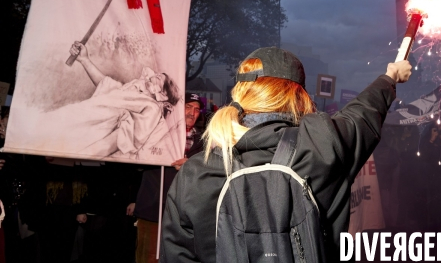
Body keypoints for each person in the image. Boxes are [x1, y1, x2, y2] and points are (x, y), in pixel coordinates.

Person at [160, 46, 412, 263]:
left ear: (241, 93)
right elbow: (362, 113)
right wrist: (389, 78)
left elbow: (178, 254)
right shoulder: (321, 143)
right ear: (297, 95)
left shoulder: (195, 172)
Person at [21, 42, 181, 161]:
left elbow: (120, 139)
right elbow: (105, 84)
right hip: (82, 114)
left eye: (159, 78)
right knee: (42, 127)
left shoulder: (151, 109)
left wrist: (83, 153)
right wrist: (84, 59)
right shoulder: (133, 90)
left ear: (163, 94)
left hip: (91, 133)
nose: (153, 76)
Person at [130, 93, 205, 263]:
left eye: (197, 109)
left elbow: (209, 173)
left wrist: (191, 165)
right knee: (148, 257)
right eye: (188, 106)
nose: (192, 113)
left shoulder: (204, 142)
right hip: (153, 210)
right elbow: (133, 162)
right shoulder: (156, 132)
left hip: (184, 215)